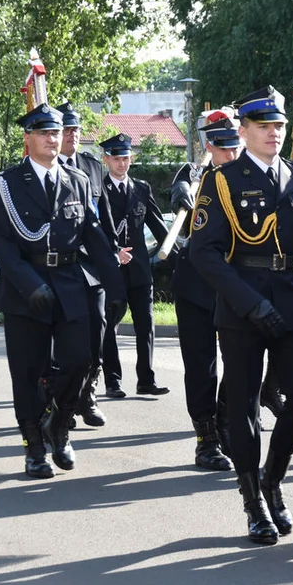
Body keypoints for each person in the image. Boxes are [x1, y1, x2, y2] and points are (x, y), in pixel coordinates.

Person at [190, 86, 293, 545]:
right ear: (243, 131)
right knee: (242, 407)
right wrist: (250, 304)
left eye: (279, 125)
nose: (274, 133)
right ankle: (252, 501)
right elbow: (205, 254)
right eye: (264, 126)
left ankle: (272, 476)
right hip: (243, 306)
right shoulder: (222, 180)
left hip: (289, 301)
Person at [0, 104, 124, 478]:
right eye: (44, 133)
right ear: (28, 138)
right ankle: (33, 447)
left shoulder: (77, 180)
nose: (53, 138)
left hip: (68, 282)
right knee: (27, 373)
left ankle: (59, 425)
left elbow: (95, 237)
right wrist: (31, 285)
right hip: (24, 286)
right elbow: (1, 244)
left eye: (57, 132)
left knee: (81, 360)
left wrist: (115, 286)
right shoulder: (6, 183)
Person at [169, 113, 239, 470]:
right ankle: (206, 438)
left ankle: (227, 422)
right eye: (221, 146)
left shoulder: (249, 175)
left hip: (237, 285)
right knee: (201, 366)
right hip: (197, 286)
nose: (229, 152)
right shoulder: (192, 176)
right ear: (208, 145)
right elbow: (179, 203)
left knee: (243, 362)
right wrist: (183, 196)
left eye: (233, 145)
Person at [97, 133, 172, 398]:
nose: (122, 164)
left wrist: (176, 248)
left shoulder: (141, 188)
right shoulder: (98, 189)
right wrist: (113, 251)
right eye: (116, 158)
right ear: (106, 159)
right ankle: (113, 381)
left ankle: (146, 380)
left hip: (139, 268)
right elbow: (95, 230)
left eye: (126, 158)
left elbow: (157, 223)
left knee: (146, 324)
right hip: (112, 268)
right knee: (110, 326)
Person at [57, 101, 109, 425]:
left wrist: (112, 252)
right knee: (64, 340)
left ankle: (88, 395)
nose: (73, 135)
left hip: (93, 266)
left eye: (76, 129)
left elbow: (104, 214)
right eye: (66, 129)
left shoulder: (93, 167)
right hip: (62, 266)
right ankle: (61, 398)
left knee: (97, 331)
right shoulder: (40, 166)